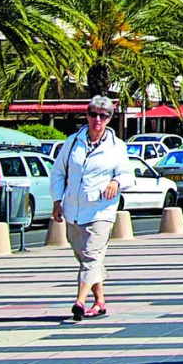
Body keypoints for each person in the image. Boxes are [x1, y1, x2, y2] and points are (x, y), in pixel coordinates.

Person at [51, 96, 135, 321]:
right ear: (87, 115)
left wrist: (116, 182)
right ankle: (100, 301)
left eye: (103, 115)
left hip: (101, 211)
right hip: (73, 210)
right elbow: (59, 172)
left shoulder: (117, 147)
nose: (98, 119)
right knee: (86, 257)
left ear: (109, 118)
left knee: (91, 255)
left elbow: (128, 175)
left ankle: (79, 301)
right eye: (93, 114)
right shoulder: (72, 143)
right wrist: (57, 201)